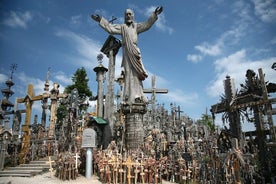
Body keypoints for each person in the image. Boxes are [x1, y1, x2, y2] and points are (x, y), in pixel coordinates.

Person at [91, 7, 163, 105]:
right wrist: (100, 20)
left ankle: (139, 94)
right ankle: (129, 94)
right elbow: (111, 29)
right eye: (126, 14)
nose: (128, 16)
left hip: (135, 51)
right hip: (127, 52)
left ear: (133, 16)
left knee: (137, 74)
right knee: (128, 73)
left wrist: (154, 14)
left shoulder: (136, 26)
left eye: (130, 14)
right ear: (124, 17)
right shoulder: (122, 27)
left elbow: (147, 25)